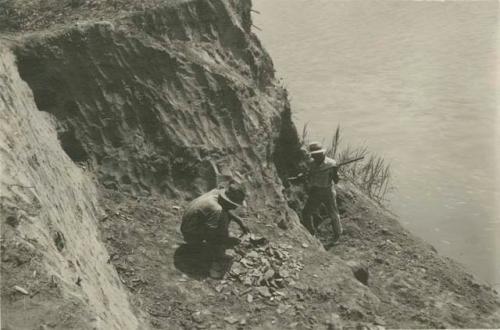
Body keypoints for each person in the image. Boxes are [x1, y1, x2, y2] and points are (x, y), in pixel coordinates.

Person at [180, 181, 249, 279]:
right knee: (223, 220)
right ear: (228, 201)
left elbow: (226, 208)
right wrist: (225, 241)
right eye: (234, 204)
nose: (235, 207)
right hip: (190, 232)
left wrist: (239, 220)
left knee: (224, 216)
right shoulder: (216, 209)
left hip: (189, 222)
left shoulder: (216, 193)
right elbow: (210, 234)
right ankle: (199, 253)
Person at [292, 142, 343, 240]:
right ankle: (311, 234)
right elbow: (308, 175)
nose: (319, 155)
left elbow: (336, 181)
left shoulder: (331, 164)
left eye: (320, 153)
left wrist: (336, 173)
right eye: (316, 154)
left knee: (333, 213)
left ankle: (338, 234)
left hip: (328, 191)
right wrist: (302, 176)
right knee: (306, 212)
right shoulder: (311, 164)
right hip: (315, 191)